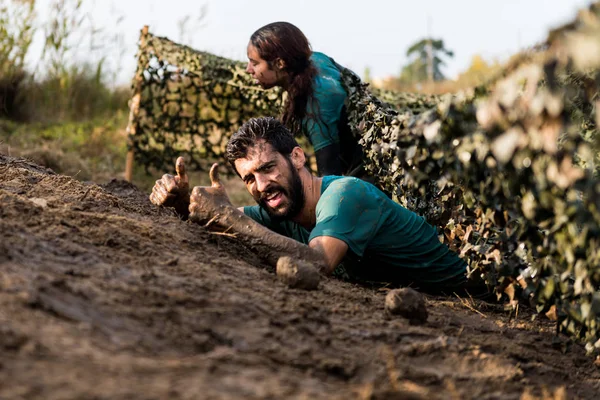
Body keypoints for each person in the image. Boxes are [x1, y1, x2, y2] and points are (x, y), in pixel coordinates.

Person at [150, 117, 485, 295]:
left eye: (268, 168)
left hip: (484, 286)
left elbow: (319, 262)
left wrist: (226, 216)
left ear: (297, 157)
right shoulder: (277, 209)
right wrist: (180, 204)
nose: (262, 186)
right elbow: (226, 221)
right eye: (250, 179)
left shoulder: (344, 195)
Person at [246, 22, 365, 178]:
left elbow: (331, 179)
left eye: (255, 63)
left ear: (280, 63)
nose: (248, 69)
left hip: (373, 169)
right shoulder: (316, 59)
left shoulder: (316, 105)